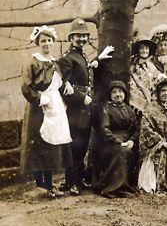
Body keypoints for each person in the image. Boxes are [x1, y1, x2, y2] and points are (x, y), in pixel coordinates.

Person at [58, 17, 114, 195]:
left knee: (81, 146)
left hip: (86, 109)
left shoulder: (82, 56)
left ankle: (76, 179)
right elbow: (61, 85)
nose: (82, 40)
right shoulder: (67, 59)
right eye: (78, 37)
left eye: (84, 37)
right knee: (76, 146)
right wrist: (81, 97)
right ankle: (72, 182)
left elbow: (87, 73)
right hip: (75, 110)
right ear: (71, 38)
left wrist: (98, 60)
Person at [21, 26, 73, 198]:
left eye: (49, 41)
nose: (46, 44)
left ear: (53, 43)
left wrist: (67, 83)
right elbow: (26, 86)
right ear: (38, 43)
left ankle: (50, 184)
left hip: (55, 106)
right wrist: (40, 99)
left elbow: (59, 80)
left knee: (51, 143)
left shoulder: (54, 62)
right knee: (38, 142)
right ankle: (40, 184)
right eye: (43, 41)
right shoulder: (33, 62)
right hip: (39, 107)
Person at [94, 81, 138, 198]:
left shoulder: (129, 109)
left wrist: (131, 141)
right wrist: (119, 142)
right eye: (114, 92)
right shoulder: (106, 109)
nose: (118, 94)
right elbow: (104, 130)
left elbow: (136, 129)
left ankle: (128, 184)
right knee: (123, 152)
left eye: (120, 91)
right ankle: (115, 187)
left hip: (127, 142)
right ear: (110, 95)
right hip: (109, 143)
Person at [129, 35, 164, 113]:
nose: (144, 51)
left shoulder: (151, 66)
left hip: (150, 101)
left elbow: (157, 80)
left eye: (146, 48)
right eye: (141, 48)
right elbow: (131, 85)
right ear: (137, 50)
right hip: (136, 102)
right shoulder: (132, 66)